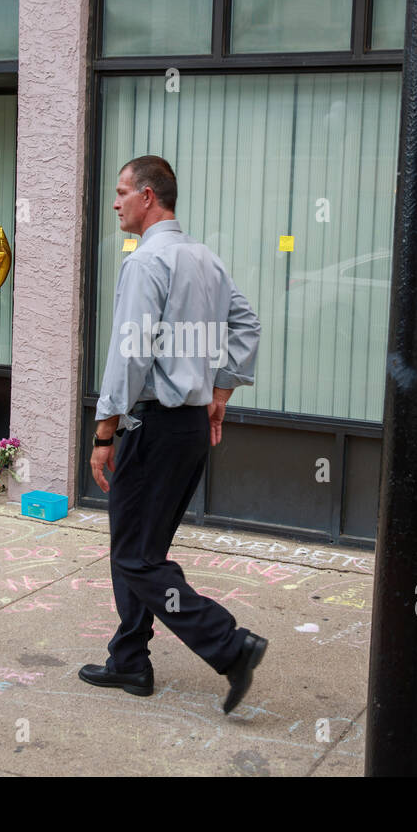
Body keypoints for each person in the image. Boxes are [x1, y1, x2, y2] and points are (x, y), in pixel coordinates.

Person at [85, 155, 268, 715]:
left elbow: (130, 352)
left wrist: (105, 427)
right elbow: (247, 326)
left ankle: (228, 644)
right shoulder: (205, 260)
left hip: (153, 424)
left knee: (136, 556)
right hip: (188, 426)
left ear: (147, 196)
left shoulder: (147, 263)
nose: (115, 203)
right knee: (139, 547)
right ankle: (130, 661)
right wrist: (220, 392)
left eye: (121, 193)